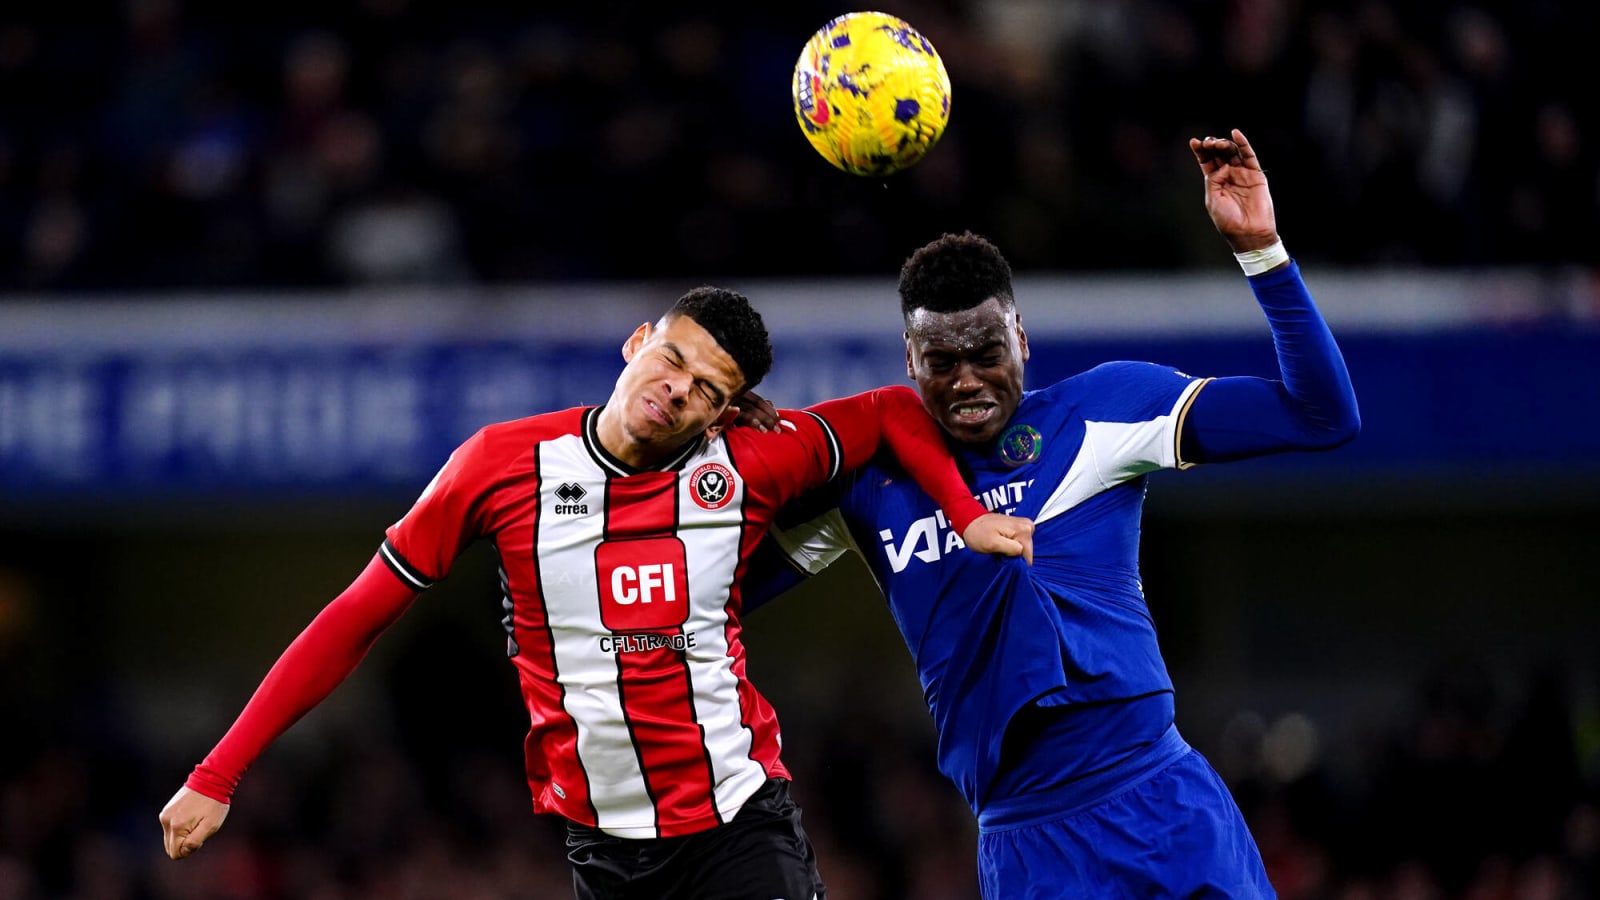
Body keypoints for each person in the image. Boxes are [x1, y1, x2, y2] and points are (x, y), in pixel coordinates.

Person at [157, 285, 1035, 900]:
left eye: (707, 391)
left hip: (738, 826)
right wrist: (218, 773)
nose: (676, 390)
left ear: (727, 412)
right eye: (672, 358)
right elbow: (354, 618)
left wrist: (965, 513)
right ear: (638, 340)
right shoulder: (498, 466)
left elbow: (888, 409)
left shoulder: (749, 462)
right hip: (602, 851)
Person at [745, 130, 1360, 897]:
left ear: (1023, 343)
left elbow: (1322, 416)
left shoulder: (1103, 410)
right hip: (1029, 846)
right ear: (909, 363)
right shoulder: (869, 483)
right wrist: (714, 454)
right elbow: (717, 596)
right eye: (941, 362)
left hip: (1165, 806)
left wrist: (1263, 251)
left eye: (987, 352)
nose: (968, 380)